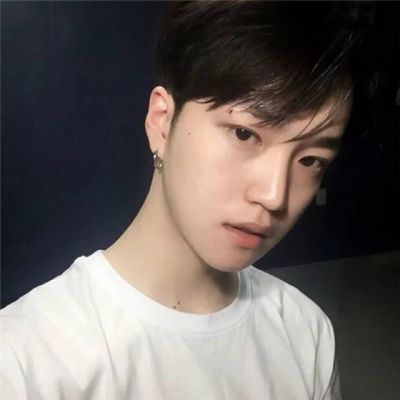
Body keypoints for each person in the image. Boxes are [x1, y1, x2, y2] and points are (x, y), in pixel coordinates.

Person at [1, 1, 372, 399]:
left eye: (310, 160)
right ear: (162, 122)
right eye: (244, 134)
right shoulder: (25, 361)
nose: (274, 196)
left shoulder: (306, 333)